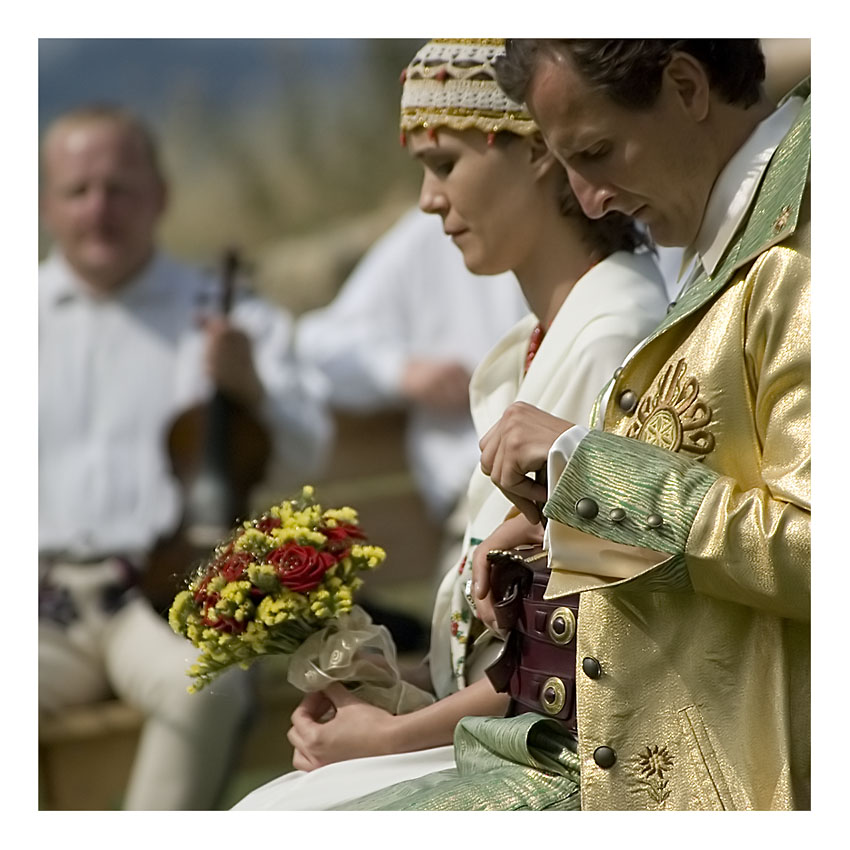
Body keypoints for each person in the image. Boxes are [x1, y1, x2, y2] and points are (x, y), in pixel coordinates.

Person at [341, 38, 809, 811]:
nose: (587, 197)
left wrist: (585, 470)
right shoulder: (730, 237)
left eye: (595, 150)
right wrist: (561, 523)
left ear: (687, 87)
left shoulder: (802, 250)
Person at [232, 37, 667, 811]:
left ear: (537, 152)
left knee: (271, 815)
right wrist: (380, 692)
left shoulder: (614, 332)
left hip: (581, 760)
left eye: (445, 165)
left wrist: (388, 736)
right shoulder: (540, 337)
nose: (430, 201)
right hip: (508, 726)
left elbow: (589, 649)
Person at [38, 104, 332, 810]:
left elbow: (306, 455)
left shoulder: (225, 312)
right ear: (48, 204)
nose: (99, 209)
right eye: (78, 191)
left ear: (159, 197)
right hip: (34, 606)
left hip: (159, 600)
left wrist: (250, 386)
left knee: (207, 681)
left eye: (120, 189)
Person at [295, 205, 529, 526]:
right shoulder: (428, 235)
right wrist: (400, 370)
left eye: (446, 165)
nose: (430, 195)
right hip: (471, 504)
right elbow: (318, 345)